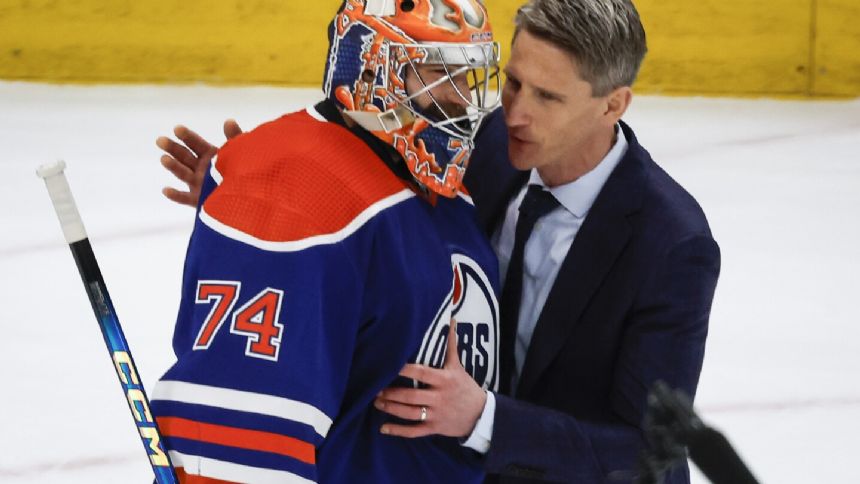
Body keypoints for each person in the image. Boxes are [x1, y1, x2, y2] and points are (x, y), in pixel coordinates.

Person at [160, 1, 721, 482]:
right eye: (513, 83)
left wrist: (485, 419)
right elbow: (372, 171)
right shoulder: (484, 142)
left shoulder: (672, 244)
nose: (514, 113)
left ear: (613, 104)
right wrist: (260, 188)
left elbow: (653, 454)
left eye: (547, 98)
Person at [149, 1, 506, 482]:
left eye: (468, 77)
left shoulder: (441, 186)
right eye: (441, 74)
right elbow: (235, 444)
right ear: (376, 71)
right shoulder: (300, 200)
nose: (464, 99)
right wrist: (257, 194)